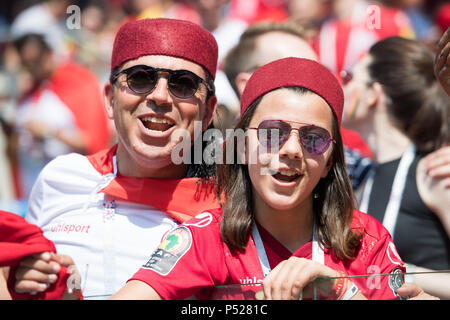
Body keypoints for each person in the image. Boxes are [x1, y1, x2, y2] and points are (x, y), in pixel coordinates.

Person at [111, 57, 416, 300]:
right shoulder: (204, 239)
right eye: (273, 133)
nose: (292, 150)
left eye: (314, 138)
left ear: (329, 163)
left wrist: (339, 289)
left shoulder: (367, 239)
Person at [9, 18, 221, 299]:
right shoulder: (59, 178)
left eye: (183, 84)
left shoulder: (228, 204)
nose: (159, 96)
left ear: (208, 112)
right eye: (140, 79)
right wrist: (25, 278)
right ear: (109, 100)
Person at [342, 36, 450, 299]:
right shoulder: (363, 177)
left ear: (373, 95)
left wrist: (399, 272)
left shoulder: (435, 171)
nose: (342, 86)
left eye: (350, 77)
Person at [222, 20, 374, 190]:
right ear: (247, 84)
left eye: (317, 74)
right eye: (292, 73)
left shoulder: (354, 171)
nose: (312, 87)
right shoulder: (200, 160)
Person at [12, 33, 112, 198]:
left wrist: (48, 131)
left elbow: (93, 141)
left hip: (72, 188)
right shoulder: (30, 93)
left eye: (37, 61)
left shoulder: (78, 82)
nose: (33, 69)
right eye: (26, 65)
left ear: (49, 53)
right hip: (32, 189)